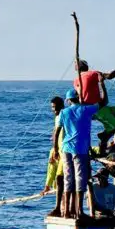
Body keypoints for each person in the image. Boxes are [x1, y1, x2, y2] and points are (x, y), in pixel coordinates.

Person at [55, 88, 99, 218]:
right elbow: (102, 102)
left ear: (68, 100)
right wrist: (101, 85)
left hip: (66, 148)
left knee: (68, 178)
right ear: (78, 98)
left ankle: (67, 212)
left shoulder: (64, 112)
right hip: (80, 148)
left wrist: (56, 149)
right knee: (80, 178)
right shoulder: (85, 110)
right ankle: (79, 210)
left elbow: (57, 132)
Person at [45, 96, 65, 216]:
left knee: (61, 178)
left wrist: (57, 149)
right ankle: (47, 185)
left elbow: (58, 133)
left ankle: (61, 208)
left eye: (56, 106)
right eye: (52, 107)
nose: (54, 109)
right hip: (57, 150)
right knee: (54, 170)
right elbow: (55, 132)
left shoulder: (63, 115)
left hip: (63, 150)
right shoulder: (57, 117)